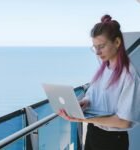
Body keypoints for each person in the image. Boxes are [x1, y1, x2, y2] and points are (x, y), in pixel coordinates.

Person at [58, 14, 140, 150]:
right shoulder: (103, 69)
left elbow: (124, 122)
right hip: (93, 133)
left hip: (112, 141)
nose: (97, 52)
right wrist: (86, 102)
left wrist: (84, 119)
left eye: (101, 46)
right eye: (95, 47)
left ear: (117, 42)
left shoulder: (129, 76)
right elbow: (93, 94)